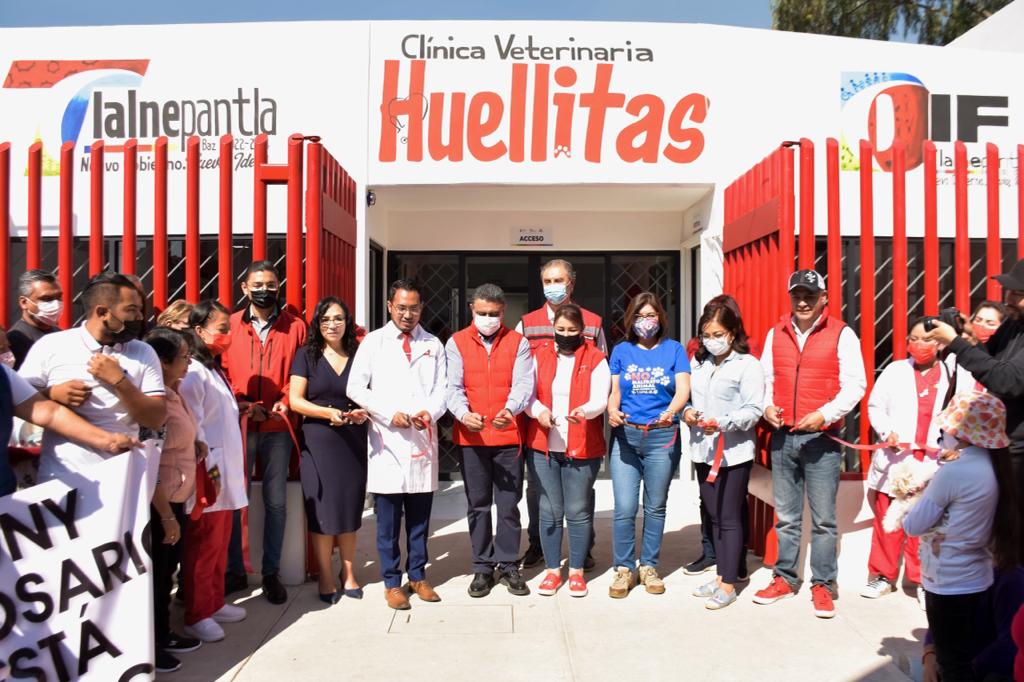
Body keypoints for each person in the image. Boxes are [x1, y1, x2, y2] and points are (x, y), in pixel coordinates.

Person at [753, 269, 866, 619]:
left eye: (810, 295)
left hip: (821, 438)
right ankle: (785, 578)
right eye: (797, 295)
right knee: (786, 516)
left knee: (824, 520)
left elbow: (855, 385)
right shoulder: (776, 333)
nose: (803, 302)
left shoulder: (842, 334)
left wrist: (824, 414)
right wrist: (766, 406)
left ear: (824, 298)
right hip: (783, 435)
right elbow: (765, 378)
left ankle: (823, 584)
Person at [904, 392, 1020, 682]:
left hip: (948, 580)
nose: (943, 435)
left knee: (953, 665)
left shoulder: (955, 472)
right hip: (976, 577)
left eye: (946, 429)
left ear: (963, 433)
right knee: (961, 659)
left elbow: (913, 525)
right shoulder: (995, 467)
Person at [349, 280, 449, 610]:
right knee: (388, 523)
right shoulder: (374, 342)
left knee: (420, 520)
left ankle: (418, 575)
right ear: (390, 306)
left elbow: (442, 390)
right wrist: (388, 413)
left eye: (414, 308)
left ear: (422, 308)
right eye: (402, 308)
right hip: (387, 442)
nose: (408, 314)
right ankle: (392, 582)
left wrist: (430, 412)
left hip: (421, 438)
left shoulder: (433, 344)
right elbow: (355, 388)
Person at [18, 271, 167, 482]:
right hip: (62, 478)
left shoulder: (143, 352)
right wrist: (52, 394)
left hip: (122, 477)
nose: (140, 318)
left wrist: (120, 381)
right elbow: (19, 401)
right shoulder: (51, 346)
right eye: (131, 310)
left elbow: (155, 418)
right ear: (103, 312)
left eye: (140, 310)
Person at [222, 260, 307, 604]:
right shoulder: (230, 325)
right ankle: (234, 571)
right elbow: (221, 372)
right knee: (235, 499)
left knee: (276, 501)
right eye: (257, 284)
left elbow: (301, 371)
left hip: (278, 426)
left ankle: (271, 572)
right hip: (239, 425)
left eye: (271, 284)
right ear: (244, 288)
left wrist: (286, 400)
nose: (264, 290)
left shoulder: (295, 327)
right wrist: (242, 403)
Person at [516, 258, 607, 571]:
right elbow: (520, 377)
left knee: (581, 496)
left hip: (580, 432)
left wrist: (591, 409)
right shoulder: (527, 324)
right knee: (539, 493)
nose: (553, 287)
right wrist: (536, 411)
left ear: (572, 282)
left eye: (559, 280)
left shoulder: (593, 322)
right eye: (548, 281)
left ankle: (583, 549)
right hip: (541, 429)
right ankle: (538, 545)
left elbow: (602, 371)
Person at [446, 283, 535, 598]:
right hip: (472, 438)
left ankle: (508, 563)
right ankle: (483, 566)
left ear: (503, 311)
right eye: (482, 313)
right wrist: (462, 413)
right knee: (478, 505)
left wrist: (510, 409)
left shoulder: (518, 342)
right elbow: (452, 386)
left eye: (493, 313)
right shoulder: (456, 342)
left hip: (508, 437)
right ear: (472, 309)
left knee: (508, 506)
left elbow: (524, 383)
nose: (487, 318)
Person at [862, 317, 953, 608]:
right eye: (914, 339)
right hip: (898, 459)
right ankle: (882, 576)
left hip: (932, 460)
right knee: (888, 520)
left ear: (939, 343)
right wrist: (887, 431)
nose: (919, 344)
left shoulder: (951, 373)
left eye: (927, 339)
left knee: (928, 524)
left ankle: (924, 580)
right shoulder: (895, 371)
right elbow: (875, 406)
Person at [606, 291, 690, 598]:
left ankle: (649, 566)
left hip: (662, 436)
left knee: (655, 507)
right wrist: (611, 410)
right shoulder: (622, 351)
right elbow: (615, 391)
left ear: (660, 318)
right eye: (639, 316)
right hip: (626, 437)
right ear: (631, 319)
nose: (645, 321)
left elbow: (683, 389)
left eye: (651, 315)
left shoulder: (674, 349)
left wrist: (672, 411)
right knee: (625, 507)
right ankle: (624, 568)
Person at [683, 297, 764, 610]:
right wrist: (688, 413)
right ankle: (720, 576)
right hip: (703, 451)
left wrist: (723, 422)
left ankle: (729, 584)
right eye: (706, 335)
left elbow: (754, 409)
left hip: (733, 453)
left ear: (732, 333)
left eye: (718, 334)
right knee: (714, 516)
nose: (712, 340)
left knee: (729, 518)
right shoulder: (699, 364)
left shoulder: (748, 365)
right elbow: (688, 399)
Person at [288, 297, 369, 605]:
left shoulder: (360, 354)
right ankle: (324, 573)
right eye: (325, 319)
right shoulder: (305, 355)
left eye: (338, 318)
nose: (332, 325)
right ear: (317, 324)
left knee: (349, 507)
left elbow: (372, 394)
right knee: (321, 510)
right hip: (318, 441)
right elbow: (296, 400)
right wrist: (326, 413)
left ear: (348, 322)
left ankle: (348, 573)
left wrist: (363, 412)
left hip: (352, 439)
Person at [526, 304, 609, 598]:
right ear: (553, 329)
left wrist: (585, 411)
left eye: (572, 330)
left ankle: (576, 570)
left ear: (582, 331)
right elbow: (528, 395)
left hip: (582, 445)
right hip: (544, 446)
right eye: (560, 329)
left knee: (577, 510)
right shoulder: (539, 355)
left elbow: (601, 398)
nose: (565, 334)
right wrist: (539, 411)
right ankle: (552, 570)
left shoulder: (595, 358)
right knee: (549, 510)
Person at [926, 258, 1024, 507]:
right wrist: (968, 338)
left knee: (1013, 519)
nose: (1008, 299)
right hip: (1001, 440)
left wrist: (956, 344)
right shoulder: (1014, 323)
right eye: (1009, 291)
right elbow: (990, 361)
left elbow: (1008, 380)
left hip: (1019, 450)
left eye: (1018, 294)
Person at [179, 300, 249, 643]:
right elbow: (193, 425)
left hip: (225, 472)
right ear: (199, 330)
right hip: (209, 472)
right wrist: (207, 470)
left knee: (219, 543)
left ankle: (214, 600)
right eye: (221, 329)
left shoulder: (212, 368)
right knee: (203, 546)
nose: (227, 335)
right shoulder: (192, 372)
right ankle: (197, 612)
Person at [144, 327, 203, 673]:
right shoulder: (152, 403)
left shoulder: (173, 392)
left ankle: (163, 632)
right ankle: (150, 644)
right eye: (183, 357)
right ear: (163, 362)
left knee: (167, 573)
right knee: (156, 576)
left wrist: (194, 444)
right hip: (159, 503)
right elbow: (149, 462)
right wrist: (166, 515)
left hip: (177, 496)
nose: (189, 362)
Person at [8, 269, 63, 369]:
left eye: (59, 297)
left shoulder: (59, 333)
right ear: (24, 302)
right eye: (46, 299)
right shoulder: (15, 340)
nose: (56, 304)